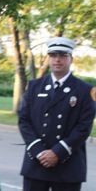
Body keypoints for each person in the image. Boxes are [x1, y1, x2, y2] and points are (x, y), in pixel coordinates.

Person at [18, 36, 96, 191]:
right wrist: (39, 151)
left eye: (62, 56)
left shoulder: (85, 90)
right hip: (37, 162)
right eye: (53, 55)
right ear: (49, 58)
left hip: (68, 164)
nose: (57, 60)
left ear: (71, 59)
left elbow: (83, 127)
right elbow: (24, 120)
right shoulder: (34, 86)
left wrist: (57, 152)